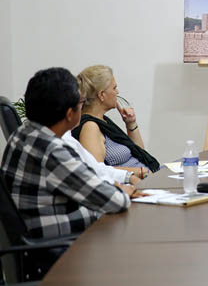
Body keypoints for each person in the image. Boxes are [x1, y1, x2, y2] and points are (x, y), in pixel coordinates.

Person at [1, 68, 132, 238]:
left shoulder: (23, 133)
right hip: (59, 244)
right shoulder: (53, 151)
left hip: (36, 232)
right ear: (70, 114)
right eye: (81, 102)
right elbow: (115, 201)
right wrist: (124, 191)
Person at [72, 65, 159, 174]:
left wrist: (131, 124)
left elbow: (140, 153)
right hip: (134, 180)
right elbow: (97, 170)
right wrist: (139, 171)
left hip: (146, 174)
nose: (117, 92)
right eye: (114, 88)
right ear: (102, 95)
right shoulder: (90, 127)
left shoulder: (104, 121)